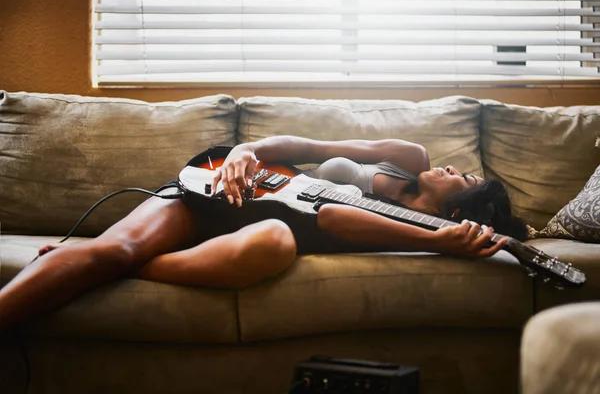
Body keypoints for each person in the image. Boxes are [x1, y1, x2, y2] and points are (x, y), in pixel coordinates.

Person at [0, 135, 527, 331]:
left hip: (263, 228)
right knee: (114, 250)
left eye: (467, 180)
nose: (457, 170)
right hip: (224, 190)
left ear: (463, 211)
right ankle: (110, 258)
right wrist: (241, 155)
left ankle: (121, 264)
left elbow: (331, 219)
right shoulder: (409, 158)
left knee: (273, 242)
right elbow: (306, 146)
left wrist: (438, 242)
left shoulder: (413, 230)